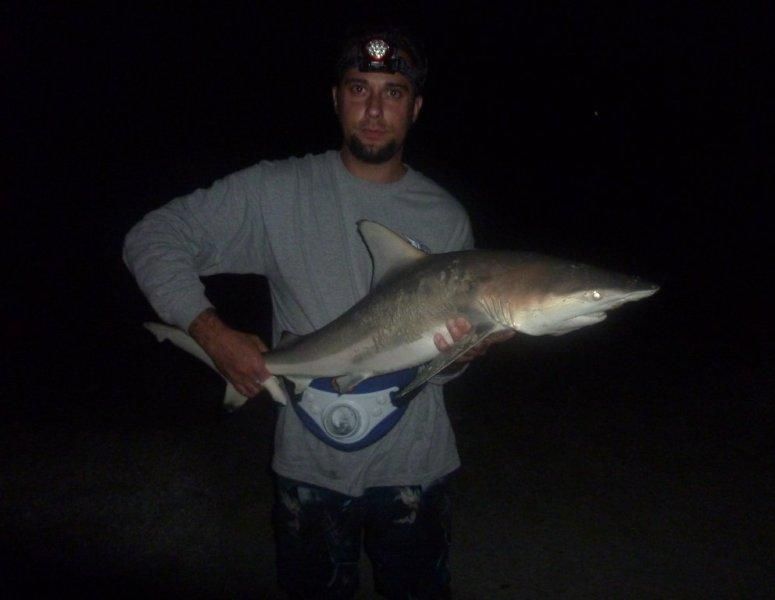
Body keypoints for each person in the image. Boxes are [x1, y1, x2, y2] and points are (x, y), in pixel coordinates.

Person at [124, 28, 511, 599]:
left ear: (415, 108)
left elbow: (443, 369)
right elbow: (151, 239)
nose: (374, 109)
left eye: (393, 92)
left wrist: (461, 354)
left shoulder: (446, 216)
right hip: (309, 469)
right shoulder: (277, 191)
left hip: (415, 464)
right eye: (359, 88)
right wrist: (212, 333)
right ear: (335, 98)